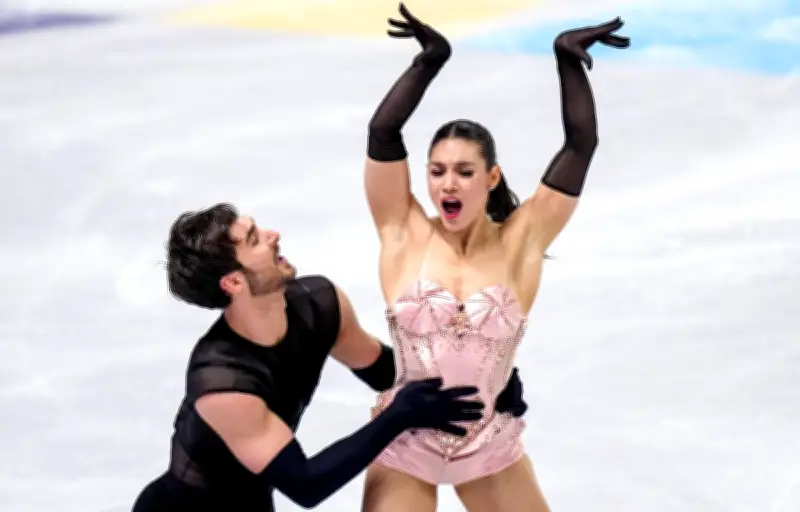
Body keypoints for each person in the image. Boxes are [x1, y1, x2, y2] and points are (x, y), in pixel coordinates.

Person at [360, 4, 630, 511]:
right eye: (437, 171)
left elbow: (580, 145)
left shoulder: (520, 241)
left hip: (487, 447)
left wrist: (567, 60)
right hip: (404, 444)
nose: (448, 184)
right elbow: (383, 134)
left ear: (491, 177)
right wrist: (429, 61)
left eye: (464, 172)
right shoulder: (404, 232)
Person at [131, 203, 529, 511]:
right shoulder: (221, 382)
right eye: (254, 239)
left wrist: (480, 377)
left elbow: (383, 370)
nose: (273, 235)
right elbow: (305, 484)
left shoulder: (318, 304)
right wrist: (398, 416)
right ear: (233, 281)